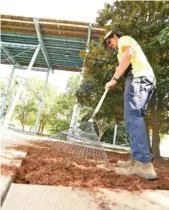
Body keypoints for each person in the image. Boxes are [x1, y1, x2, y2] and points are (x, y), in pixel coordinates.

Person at [103, 30, 157, 180]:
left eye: (109, 42)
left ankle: (143, 164)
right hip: (144, 79)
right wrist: (115, 77)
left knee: (133, 117)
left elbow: (129, 54)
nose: (110, 46)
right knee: (135, 117)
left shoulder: (124, 40)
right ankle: (136, 160)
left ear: (114, 36)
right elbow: (124, 63)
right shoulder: (121, 50)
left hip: (138, 79)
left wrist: (114, 78)